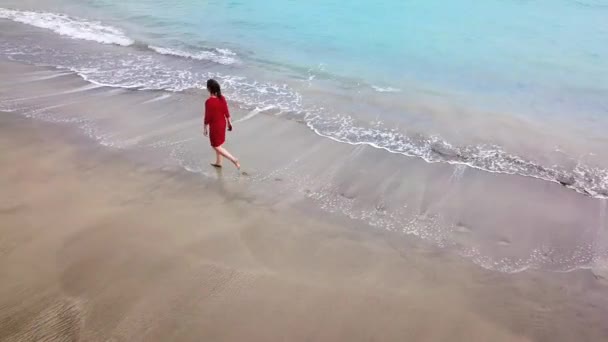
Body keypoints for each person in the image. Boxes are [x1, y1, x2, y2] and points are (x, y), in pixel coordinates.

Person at [203, 79, 240, 169]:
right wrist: (229, 123)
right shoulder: (221, 98)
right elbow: (226, 112)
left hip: (215, 126)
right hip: (222, 124)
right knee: (219, 144)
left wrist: (205, 128)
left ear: (209, 88)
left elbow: (207, 117)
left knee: (215, 146)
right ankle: (219, 162)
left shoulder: (209, 102)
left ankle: (234, 159)